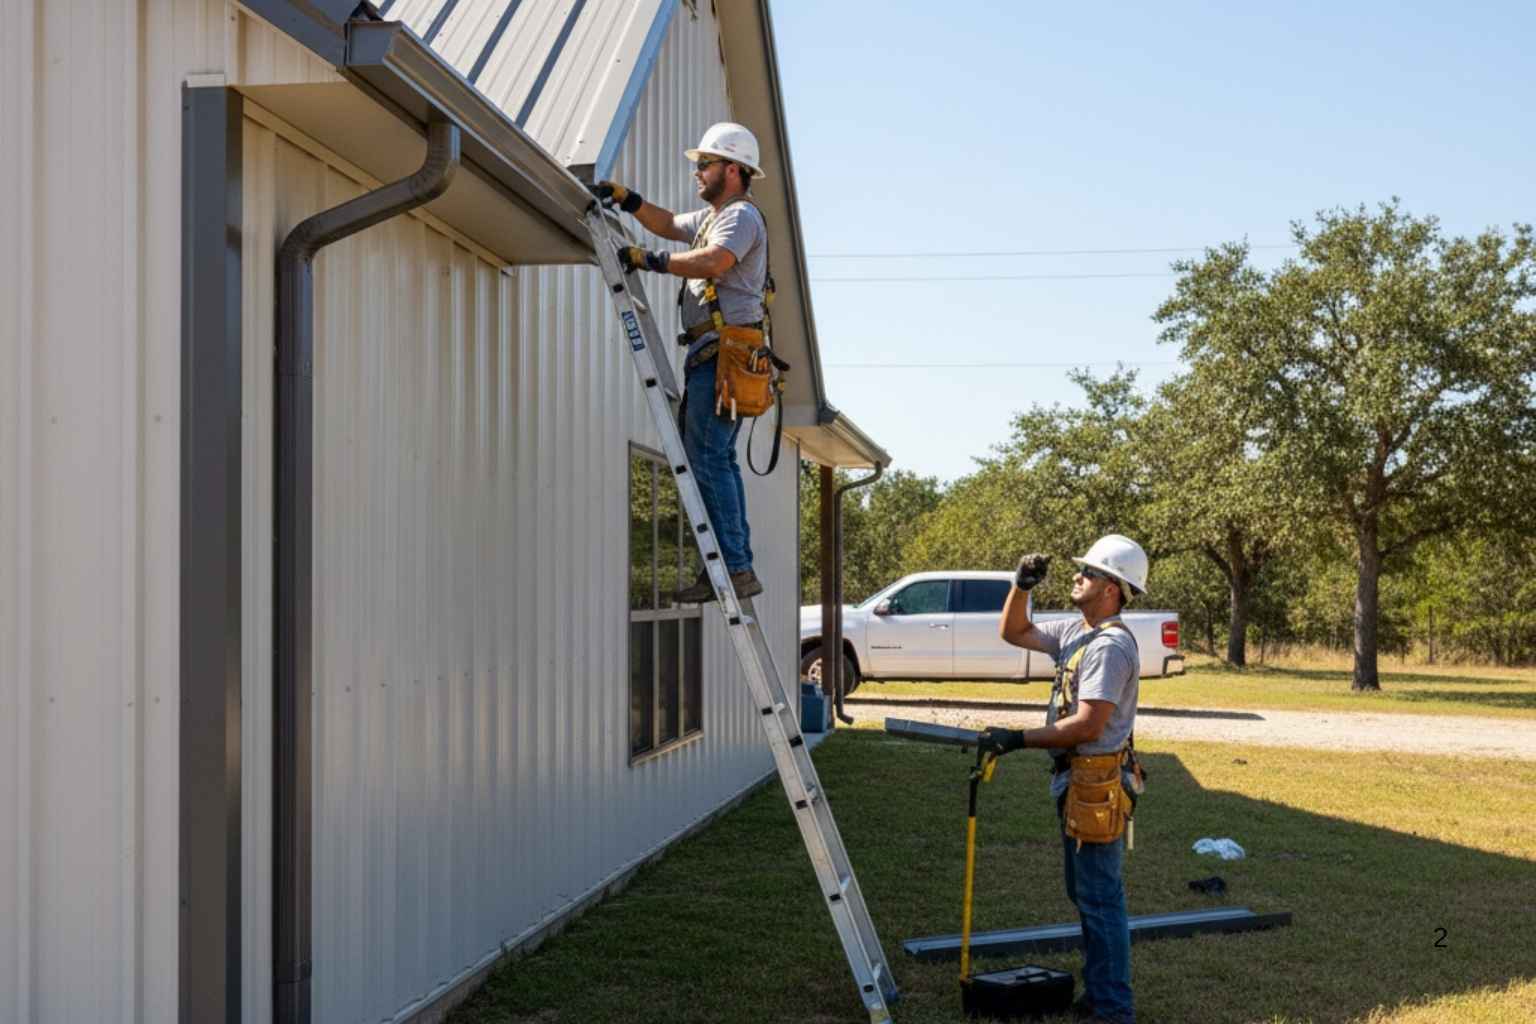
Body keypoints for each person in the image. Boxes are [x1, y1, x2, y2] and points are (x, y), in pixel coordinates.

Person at [589, 122, 769, 602]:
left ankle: (733, 568)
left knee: (709, 458)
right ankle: (731, 567)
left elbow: (712, 262)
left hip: (724, 354)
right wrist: (628, 199)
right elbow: (668, 224)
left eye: (704, 165)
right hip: (714, 352)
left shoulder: (739, 217)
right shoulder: (715, 217)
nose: (697, 172)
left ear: (732, 170)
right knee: (712, 458)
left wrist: (650, 261)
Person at [977, 534, 1150, 1024]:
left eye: (1089, 573)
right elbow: (1014, 631)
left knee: (1100, 900)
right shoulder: (1077, 632)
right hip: (1078, 781)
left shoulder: (1109, 647)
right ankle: (1100, 998)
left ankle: (1112, 1009)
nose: (1078, 576)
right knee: (1090, 896)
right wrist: (1021, 586)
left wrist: (1017, 738)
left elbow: (1088, 725)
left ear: (1113, 589)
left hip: (1095, 782)